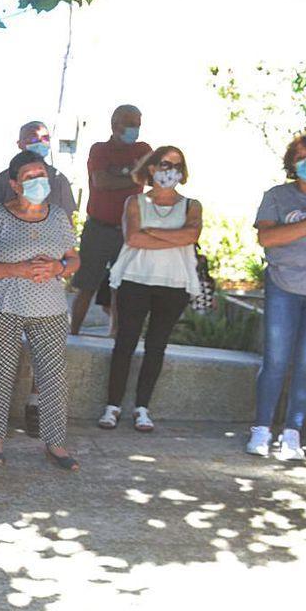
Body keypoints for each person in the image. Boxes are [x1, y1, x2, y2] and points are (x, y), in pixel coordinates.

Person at [0, 151, 82, 471]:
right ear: (15, 184)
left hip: (50, 309)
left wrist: (59, 265)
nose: (38, 182)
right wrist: (15, 269)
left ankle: (56, 445)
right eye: (30, 177)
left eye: (42, 175)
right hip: (4, 305)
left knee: (53, 378)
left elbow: (74, 259)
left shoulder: (58, 216)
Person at [247, 133, 306, 461]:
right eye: (301, 157)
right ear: (292, 164)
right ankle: (261, 429)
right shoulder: (277, 196)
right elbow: (268, 238)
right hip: (282, 286)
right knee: (275, 360)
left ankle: (292, 433)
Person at [99, 146, 202, 432]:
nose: (171, 170)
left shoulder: (192, 205)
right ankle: (112, 406)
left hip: (175, 284)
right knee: (125, 343)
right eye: (166, 163)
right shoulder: (135, 202)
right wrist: (173, 237)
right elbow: (133, 237)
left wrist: (151, 232)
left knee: (157, 345)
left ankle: (142, 408)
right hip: (135, 278)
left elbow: (192, 235)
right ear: (152, 168)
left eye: (178, 165)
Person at [70, 105, 153, 336]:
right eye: (130, 123)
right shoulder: (100, 150)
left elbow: (151, 178)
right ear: (115, 124)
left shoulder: (144, 149)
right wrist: (134, 176)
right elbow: (102, 182)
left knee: (122, 286)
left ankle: (114, 335)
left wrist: (125, 176)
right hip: (98, 226)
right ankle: (73, 332)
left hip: (129, 229)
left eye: (138, 123)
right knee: (86, 285)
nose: (135, 128)